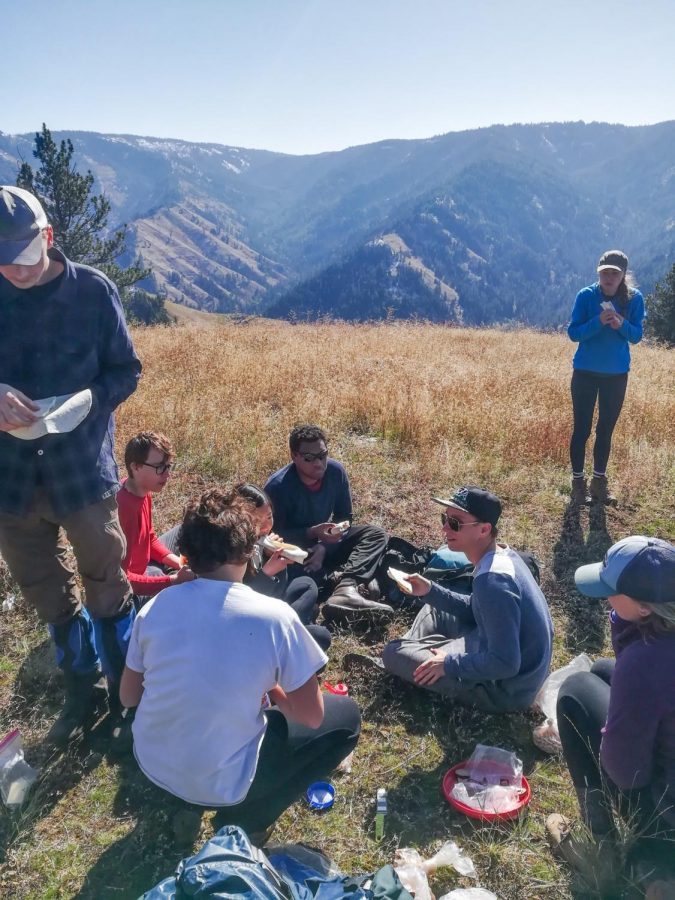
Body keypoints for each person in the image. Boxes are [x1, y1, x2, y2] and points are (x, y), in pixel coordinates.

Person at [120, 489, 360, 840]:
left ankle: (182, 806)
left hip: (153, 764)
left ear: (186, 553)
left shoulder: (154, 608)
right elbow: (310, 716)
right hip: (223, 783)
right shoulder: (274, 618)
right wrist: (271, 686)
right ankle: (246, 821)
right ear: (250, 550)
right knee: (347, 718)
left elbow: (128, 697)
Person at [0, 185, 141, 745]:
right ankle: (81, 690)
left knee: (107, 582)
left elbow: (126, 370)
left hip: (82, 473)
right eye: (1, 261)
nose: (14, 270)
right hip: (11, 482)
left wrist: (90, 401)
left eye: (23, 256)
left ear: (48, 238)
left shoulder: (92, 292)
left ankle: (126, 694)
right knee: (44, 588)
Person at [546, 536, 675, 890]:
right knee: (603, 670)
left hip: (665, 820)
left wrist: (615, 737)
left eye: (611, 591)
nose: (605, 598)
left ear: (646, 608)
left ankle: (602, 849)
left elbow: (625, 771)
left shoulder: (646, 661)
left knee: (574, 693)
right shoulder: (660, 637)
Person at [370, 487, 553, 712]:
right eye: (444, 518)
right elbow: (475, 609)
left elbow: (505, 663)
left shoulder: (493, 582)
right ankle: (418, 653)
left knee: (392, 653)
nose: (445, 527)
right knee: (433, 607)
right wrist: (429, 589)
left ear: (484, 529)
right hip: (493, 649)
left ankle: (412, 657)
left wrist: (449, 664)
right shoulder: (502, 555)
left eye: (455, 523)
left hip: (505, 690)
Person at [264, 423, 394, 621]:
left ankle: (346, 586)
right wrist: (311, 534)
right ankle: (347, 584)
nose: (319, 463)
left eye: (323, 455)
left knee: (375, 535)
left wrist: (324, 546)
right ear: (294, 456)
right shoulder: (278, 487)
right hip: (297, 553)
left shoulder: (335, 471)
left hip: (328, 542)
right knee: (301, 579)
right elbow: (272, 537)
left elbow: (345, 518)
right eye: (310, 458)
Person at [567, 250, 644, 505]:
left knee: (605, 431)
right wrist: (598, 321)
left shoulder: (634, 299)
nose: (609, 277)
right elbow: (574, 333)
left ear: (623, 275)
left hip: (616, 376)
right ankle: (578, 484)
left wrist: (621, 324)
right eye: (604, 272)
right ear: (598, 272)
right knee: (582, 429)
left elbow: (636, 336)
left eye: (614, 273)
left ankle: (598, 484)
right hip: (585, 374)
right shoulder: (586, 296)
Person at [232, 483, 332, 652]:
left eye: (269, 517)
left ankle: (295, 628)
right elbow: (241, 603)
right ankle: (291, 634)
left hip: (271, 604)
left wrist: (270, 556)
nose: (266, 526)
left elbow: (279, 589)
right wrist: (267, 572)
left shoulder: (259, 545)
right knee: (321, 636)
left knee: (307, 584)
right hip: (250, 622)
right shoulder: (233, 550)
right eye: (257, 521)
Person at [117, 431, 195, 601]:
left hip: (143, 565)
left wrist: (182, 564)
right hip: (131, 589)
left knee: (184, 528)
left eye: (168, 466)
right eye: (160, 467)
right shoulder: (123, 508)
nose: (167, 475)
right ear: (135, 467)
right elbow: (121, 579)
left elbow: (150, 539)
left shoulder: (143, 490)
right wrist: (173, 580)